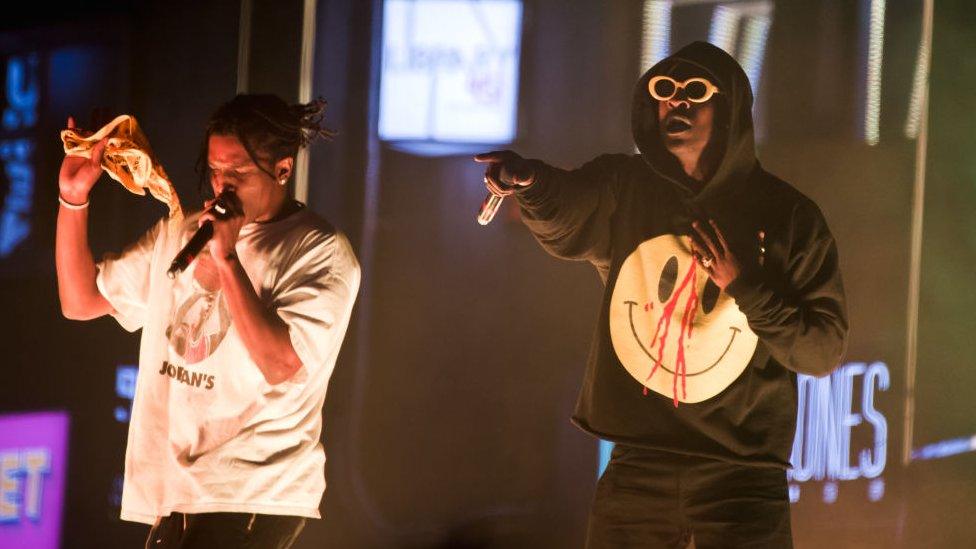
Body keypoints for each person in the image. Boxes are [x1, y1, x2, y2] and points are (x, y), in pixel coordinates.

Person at [475, 41, 848, 548]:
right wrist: (532, 182)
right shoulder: (626, 185)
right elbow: (569, 215)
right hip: (640, 459)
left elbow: (821, 349)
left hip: (742, 470)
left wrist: (744, 286)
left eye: (696, 91)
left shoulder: (788, 216)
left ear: (730, 107)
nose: (678, 104)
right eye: (665, 91)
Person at [56, 94, 360, 548]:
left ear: (282, 169)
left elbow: (280, 363)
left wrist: (227, 257)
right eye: (216, 171)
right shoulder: (181, 233)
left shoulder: (319, 250)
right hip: (175, 498)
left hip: (251, 496)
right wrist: (72, 199)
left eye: (237, 173)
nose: (222, 186)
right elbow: (80, 300)